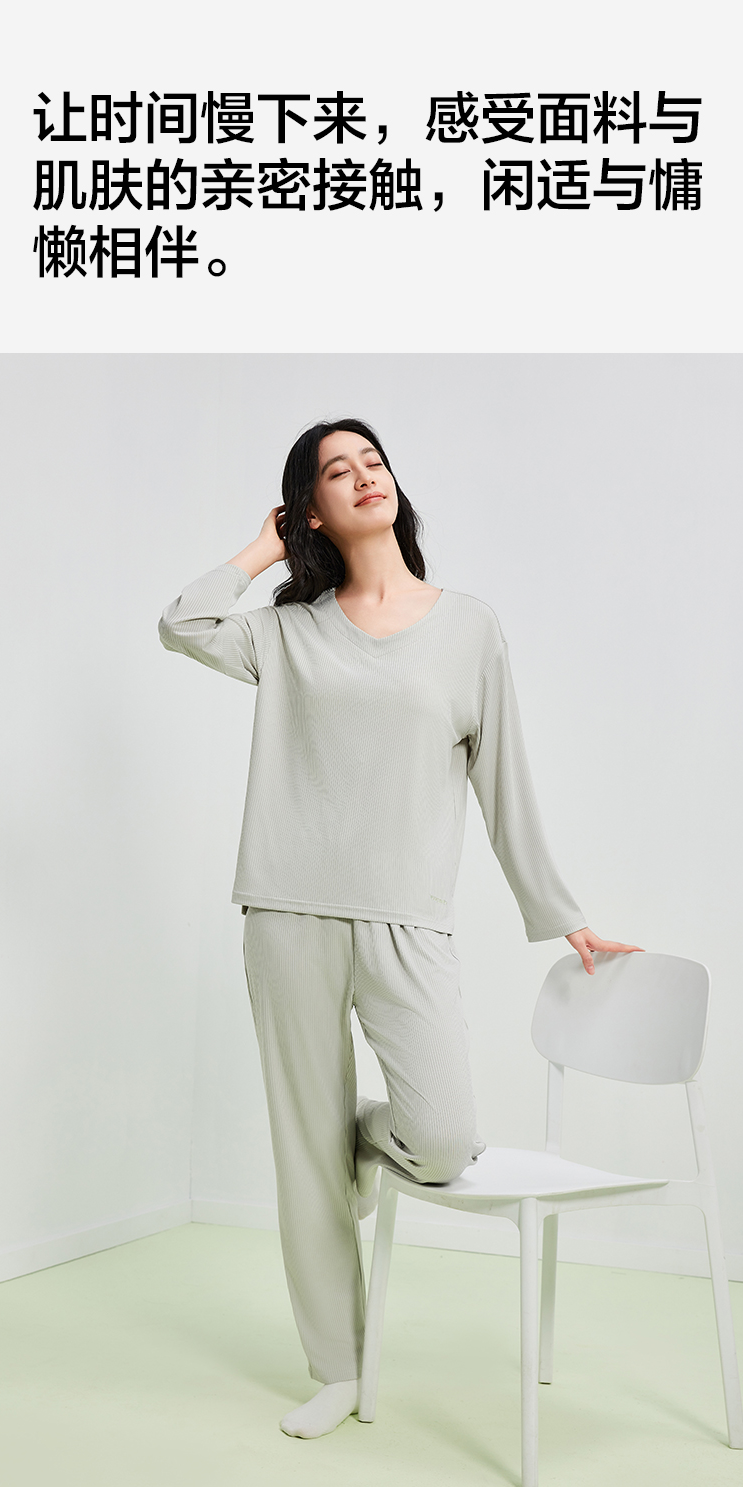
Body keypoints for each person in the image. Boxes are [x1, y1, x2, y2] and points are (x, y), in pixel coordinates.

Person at [159, 417, 642, 1440]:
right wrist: (259, 549)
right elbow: (183, 622)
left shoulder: (468, 627)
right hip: (286, 909)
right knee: (302, 1154)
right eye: (336, 472)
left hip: (407, 923)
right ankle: (338, 1367)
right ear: (312, 511)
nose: (363, 476)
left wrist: (563, 914)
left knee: (445, 1134)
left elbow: (505, 779)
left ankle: (364, 1138)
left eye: (372, 460)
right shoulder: (287, 631)